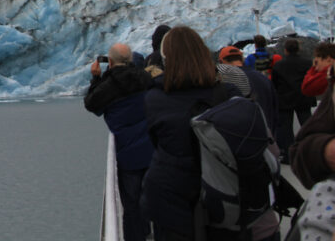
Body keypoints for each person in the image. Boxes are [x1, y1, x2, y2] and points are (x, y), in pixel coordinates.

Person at [141, 26, 241, 240]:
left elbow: (156, 141)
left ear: (165, 59)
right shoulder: (229, 94)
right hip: (226, 193)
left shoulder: (155, 99)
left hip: (172, 199)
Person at [84, 43, 154, 241]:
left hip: (127, 154)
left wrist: (96, 78)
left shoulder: (108, 86)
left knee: (131, 206)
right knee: (152, 199)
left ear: (110, 61)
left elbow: (91, 104)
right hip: (151, 150)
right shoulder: (145, 78)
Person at [216, 46, 281, 241]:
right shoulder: (262, 79)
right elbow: (274, 110)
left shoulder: (221, 122)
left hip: (236, 216)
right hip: (265, 157)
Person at [290, 44, 335, 189]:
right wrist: (327, 150)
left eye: (318, 60)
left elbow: (308, 87)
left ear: (328, 59)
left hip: (292, 104)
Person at [272, 39, 315, 162]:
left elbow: (274, 83)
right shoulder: (307, 63)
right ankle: (311, 150)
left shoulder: (279, 65)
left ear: (285, 50)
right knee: (307, 125)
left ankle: (288, 155)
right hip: (303, 97)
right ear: (298, 49)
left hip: (285, 99)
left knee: (286, 129)